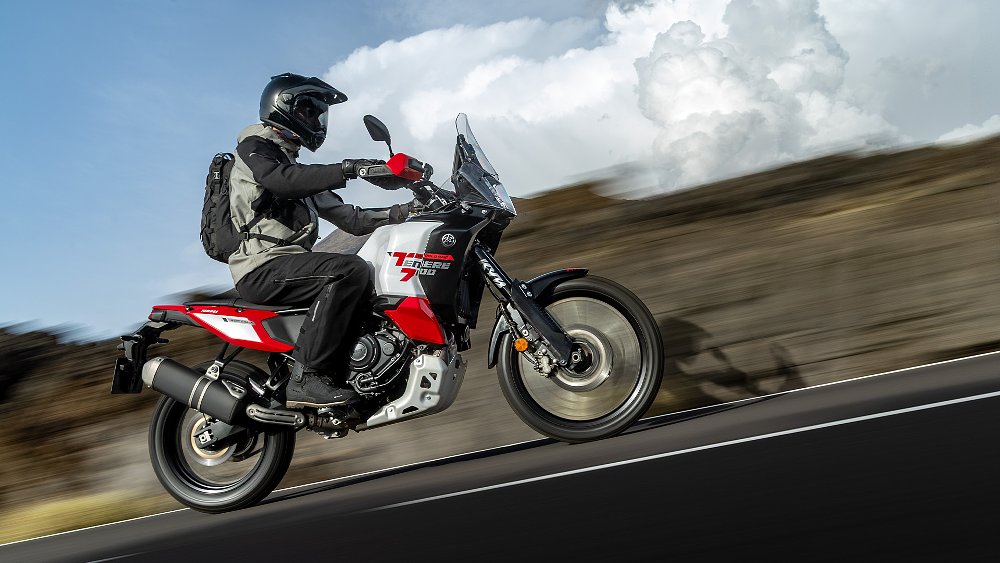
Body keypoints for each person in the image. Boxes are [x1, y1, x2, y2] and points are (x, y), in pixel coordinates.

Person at [228, 72, 411, 410]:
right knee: (348, 271)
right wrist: (349, 168)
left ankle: (355, 371)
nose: (317, 121)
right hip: (262, 268)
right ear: (283, 107)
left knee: (372, 283)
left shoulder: (294, 169)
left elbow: (352, 220)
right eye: (309, 111)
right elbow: (282, 181)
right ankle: (308, 377)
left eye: (320, 115)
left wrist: (407, 210)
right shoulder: (255, 149)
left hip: (288, 265)